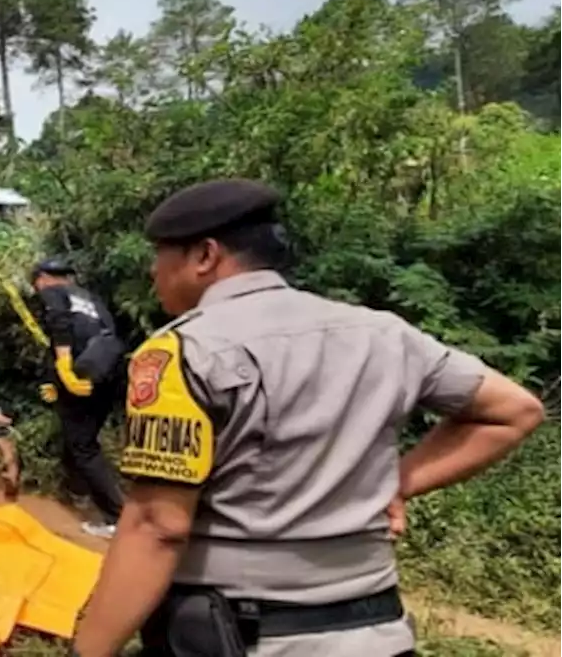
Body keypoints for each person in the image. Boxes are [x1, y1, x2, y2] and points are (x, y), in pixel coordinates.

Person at [69, 179, 545, 657]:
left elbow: (157, 526)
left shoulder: (183, 353)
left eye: (160, 256)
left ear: (204, 256)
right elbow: (514, 412)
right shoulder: (383, 333)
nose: (153, 272)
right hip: (379, 633)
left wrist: (89, 651)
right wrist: (398, 483)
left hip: (245, 637)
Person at [32, 258, 127, 539]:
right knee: (80, 438)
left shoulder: (52, 293)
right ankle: (79, 492)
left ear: (44, 277)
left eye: (36, 283)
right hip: (110, 372)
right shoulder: (92, 299)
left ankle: (116, 516)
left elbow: (60, 325)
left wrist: (63, 365)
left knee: (83, 446)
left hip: (82, 375)